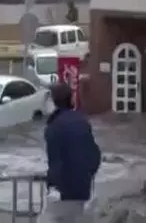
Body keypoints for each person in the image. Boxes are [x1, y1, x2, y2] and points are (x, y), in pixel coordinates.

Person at [38, 83, 101, 223]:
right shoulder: (82, 120)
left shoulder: (54, 127)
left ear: (53, 101)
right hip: (84, 190)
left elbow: (56, 161)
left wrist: (54, 186)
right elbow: (95, 156)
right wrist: (87, 176)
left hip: (63, 193)